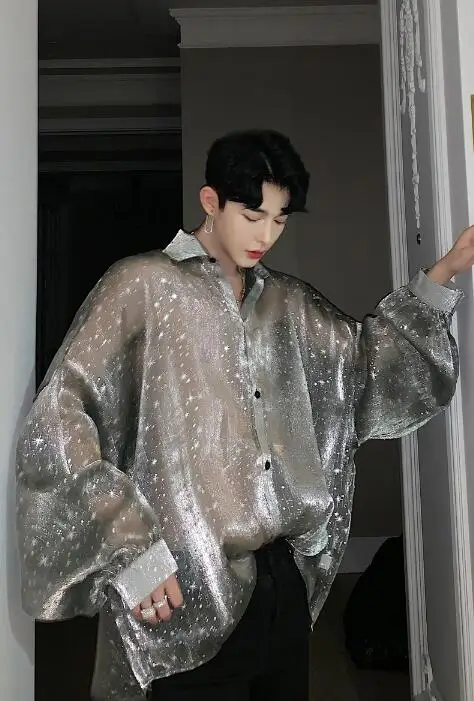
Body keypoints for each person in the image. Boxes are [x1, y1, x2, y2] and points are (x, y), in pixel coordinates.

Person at [16, 129, 474, 701]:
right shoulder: (143, 285)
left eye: (279, 220)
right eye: (252, 215)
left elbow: (367, 368)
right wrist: (128, 546)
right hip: (179, 585)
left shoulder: (288, 302)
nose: (265, 235)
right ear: (211, 202)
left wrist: (443, 274)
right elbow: (60, 416)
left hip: (281, 583)